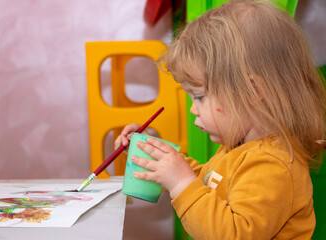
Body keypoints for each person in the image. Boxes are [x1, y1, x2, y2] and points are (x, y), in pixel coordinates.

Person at [114, 0, 326, 239]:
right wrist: (160, 159)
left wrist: (180, 182)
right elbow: (208, 182)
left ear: (252, 91)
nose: (193, 109)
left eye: (200, 97)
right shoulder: (239, 149)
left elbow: (232, 234)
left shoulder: (271, 165)